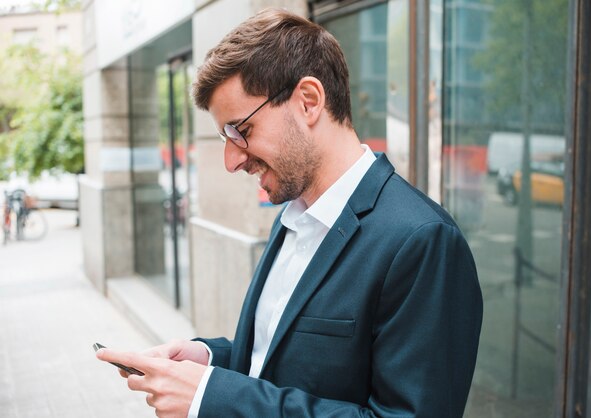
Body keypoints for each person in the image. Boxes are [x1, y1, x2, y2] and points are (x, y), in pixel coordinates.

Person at [96, 8, 483, 418]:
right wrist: (209, 360)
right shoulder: (293, 214)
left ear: (309, 102)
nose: (231, 161)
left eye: (240, 131)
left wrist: (213, 397)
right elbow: (282, 357)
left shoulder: (422, 240)